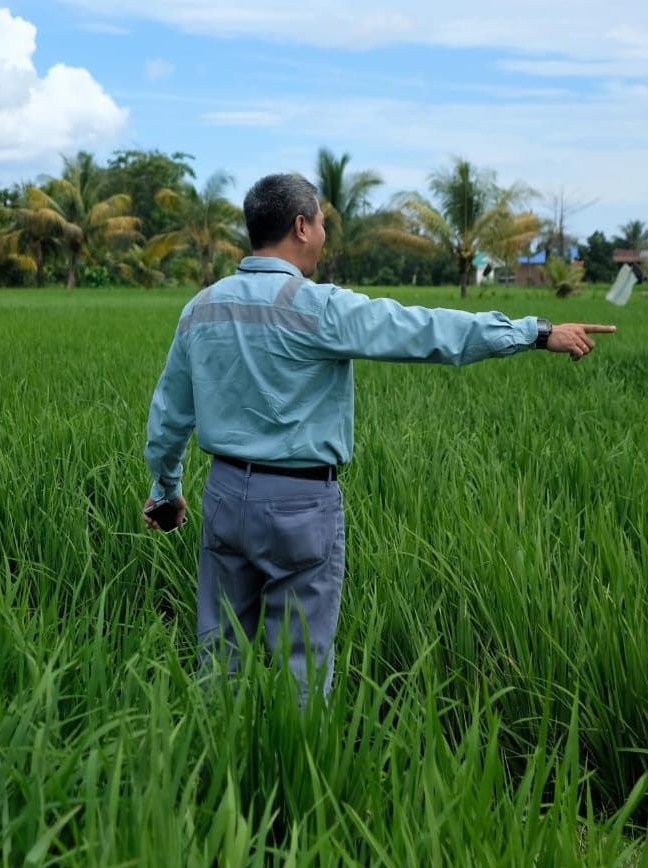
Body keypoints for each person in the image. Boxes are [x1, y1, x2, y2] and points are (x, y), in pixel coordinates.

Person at [142, 173, 616, 700]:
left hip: (225, 496)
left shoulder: (200, 308)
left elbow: (169, 416)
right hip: (300, 505)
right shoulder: (318, 306)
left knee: (220, 660)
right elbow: (426, 331)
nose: (324, 233)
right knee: (299, 670)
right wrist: (536, 332)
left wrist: (166, 490)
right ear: (301, 227)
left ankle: (218, 772)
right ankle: (294, 774)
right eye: (321, 222)